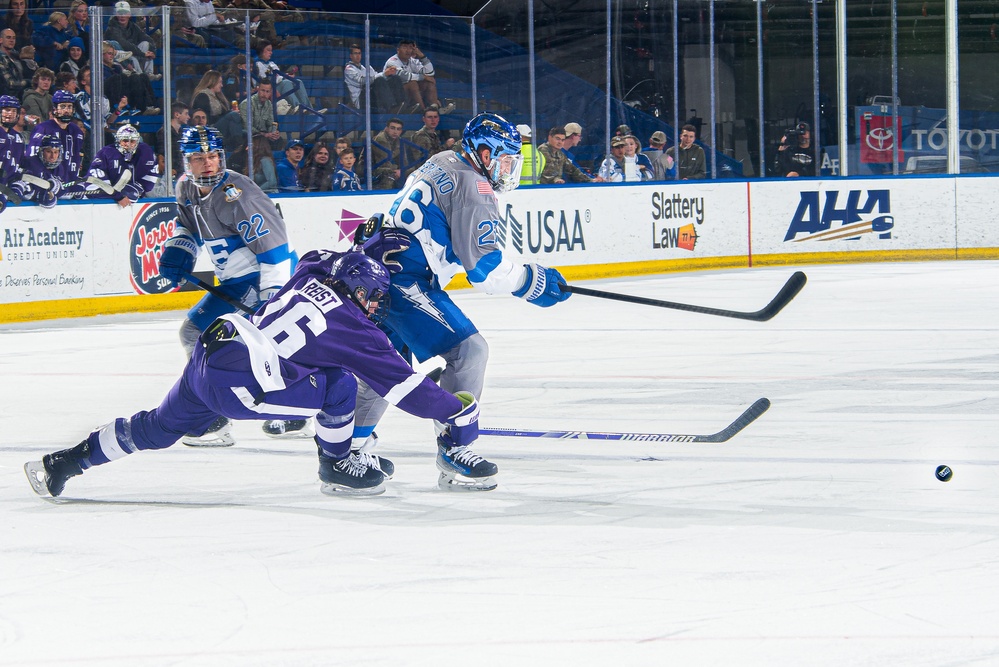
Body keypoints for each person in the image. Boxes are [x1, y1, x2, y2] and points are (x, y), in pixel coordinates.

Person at [24, 249, 486, 499]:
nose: (374, 307)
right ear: (359, 290)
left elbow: (314, 257)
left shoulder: (310, 275)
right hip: (239, 384)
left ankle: (64, 462)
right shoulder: (355, 326)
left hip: (213, 351)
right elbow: (406, 388)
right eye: (371, 297)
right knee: (341, 385)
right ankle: (337, 462)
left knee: (156, 428)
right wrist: (456, 410)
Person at [352, 112, 572, 491]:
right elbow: (484, 270)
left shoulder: (443, 160)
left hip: (377, 274)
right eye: (504, 159)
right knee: (469, 352)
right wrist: (534, 282)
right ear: (484, 154)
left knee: (384, 364)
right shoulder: (476, 187)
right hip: (406, 279)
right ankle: (455, 447)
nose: (509, 168)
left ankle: (349, 451)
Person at [156, 125, 301, 446]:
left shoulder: (240, 194)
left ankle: (214, 417)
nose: (207, 163)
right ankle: (282, 411)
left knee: (212, 338)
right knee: (195, 335)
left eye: (213, 156)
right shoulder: (186, 188)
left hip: (261, 278)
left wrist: (273, 301)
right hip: (235, 282)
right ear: (186, 162)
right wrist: (178, 248)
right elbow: (187, 225)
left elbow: (275, 251)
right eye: (198, 157)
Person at [70, 124, 157, 206]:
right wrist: (118, 195)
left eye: (132, 141)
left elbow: (149, 181)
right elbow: (94, 184)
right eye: (125, 140)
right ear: (118, 140)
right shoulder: (106, 153)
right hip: (98, 204)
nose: (128, 144)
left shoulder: (145, 153)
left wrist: (137, 189)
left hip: (125, 203)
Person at [28, 88, 83, 183]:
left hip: (70, 182)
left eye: (69, 107)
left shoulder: (77, 131)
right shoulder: (43, 128)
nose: (66, 110)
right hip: (49, 183)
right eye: (62, 107)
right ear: (54, 109)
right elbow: (32, 156)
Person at [384, 39, 452, 115]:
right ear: (398, 50)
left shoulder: (412, 61)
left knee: (428, 83)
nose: (408, 50)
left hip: (408, 95)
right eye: (405, 47)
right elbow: (404, 76)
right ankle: (424, 111)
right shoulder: (392, 61)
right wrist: (423, 77)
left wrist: (422, 56)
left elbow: (430, 73)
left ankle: (435, 109)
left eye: (410, 48)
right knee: (412, 83)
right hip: (393, 96)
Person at [9, 133, 68, 208]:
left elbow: (63, 188)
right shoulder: (30, 163)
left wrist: (53, 194)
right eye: (49, 152)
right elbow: (22, 186)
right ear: (42, 151)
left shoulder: (60, 168)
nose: (53, 156)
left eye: (56, 152)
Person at [254, 41, 311, 113]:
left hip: (278, 84)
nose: (271, 53)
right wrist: (284, 77)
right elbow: (265, 80)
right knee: (286, 83)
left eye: (271, 50)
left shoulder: (272, 63)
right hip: (270, 88)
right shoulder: (257, 64)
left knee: (298, 82)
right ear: (261, 50)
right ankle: (298, 107)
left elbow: (279, 76)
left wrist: (286, 75)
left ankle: (308, 109)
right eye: (268, 50)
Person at [343, 43, 403, 112]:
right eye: (355, 53)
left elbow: (377, 76)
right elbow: (361, 82)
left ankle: (401, 105)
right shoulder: (349, 69)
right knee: (379, 80)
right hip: (361, 99)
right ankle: (391, 108)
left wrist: (388, 73)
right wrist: (384, 73)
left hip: (370, 95)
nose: (358, 56)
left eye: (359, 53)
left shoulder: (365, 67)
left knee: (394, 78)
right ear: (351, 56)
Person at [105, 2, 157, 78]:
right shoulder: (112, 28)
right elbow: (124, 44)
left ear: (129, 14)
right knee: (133, 59)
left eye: (125, 13)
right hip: (120, 57)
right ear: (116, 14)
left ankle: (149, 74)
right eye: (120, 13)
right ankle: (140, 77)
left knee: (145, 43)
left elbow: (147, 38)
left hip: (135, 53)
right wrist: (143, 54)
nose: (122, 16)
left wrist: (152, 52)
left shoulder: (132, 26)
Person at [239, 78, 283, 153]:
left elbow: (271, 123)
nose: (264, 94)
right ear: (258, 90)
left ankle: (270, 161)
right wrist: (264, 134)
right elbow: (247, 126)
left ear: (270, 93)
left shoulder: (269, 104)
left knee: (278, 140)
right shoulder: (247, 103)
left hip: (264, 135)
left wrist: (273, 133)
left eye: (267, 91)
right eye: (262, 90)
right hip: (250, 135)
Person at [369, 116, 412, 190]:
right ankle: (384, 196)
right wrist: (398, 170)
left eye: (398, 129)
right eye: (392, 128)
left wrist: (402, 170)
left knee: (413, 171)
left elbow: (404, 162)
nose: (395, 132)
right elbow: (385, 163)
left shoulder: (399, 140)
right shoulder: (381, 139)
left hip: (389, 168)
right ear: (387, 128)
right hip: (371, 168)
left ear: (401, 131)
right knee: (390, 174)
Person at [0, 93, 24, 209]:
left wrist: (17, 186)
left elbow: (19, 167)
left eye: (13, 111)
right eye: (6, 110)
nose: (10, 113)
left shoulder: (18, 138)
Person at [156, 100, 188, 180]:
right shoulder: (164, 132)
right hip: (172, 176)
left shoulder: (182, 132)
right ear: (177, 115)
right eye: (186, 114)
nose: (189, 117)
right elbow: (161, 155)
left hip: (183, 173)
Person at [0, 28, 29, 97]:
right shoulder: (1, 58)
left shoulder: (17, 56)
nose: (11, 40)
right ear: (0, 40)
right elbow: (10, 83)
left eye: (14, 38)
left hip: (21, 94)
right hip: (6, 97)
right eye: (8, 37)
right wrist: (28, 82)